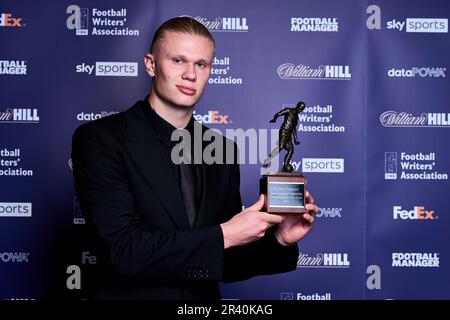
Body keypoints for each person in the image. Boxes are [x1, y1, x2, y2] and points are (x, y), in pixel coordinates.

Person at [71, 17, 318, 300]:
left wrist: (280, 240)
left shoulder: (222, 150)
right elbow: (123, 252)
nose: (191, 74)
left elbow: (221, 261)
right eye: (178, 60)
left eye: (201, 64)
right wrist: (225, 234)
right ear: (151, 64)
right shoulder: (101, 140)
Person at [263, 102, 306, 172]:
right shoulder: (289, 110)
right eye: (301, 108)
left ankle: (285, 167)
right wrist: (274, 119)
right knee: (280, 147)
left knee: (290, 150)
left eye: (302, 109)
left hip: (289, 134)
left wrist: (296, 138)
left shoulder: (296, 117)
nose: (301, 110)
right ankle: (267, 161)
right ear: (298, 106)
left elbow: (294, 128)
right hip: (284, 132)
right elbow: (279, 114)